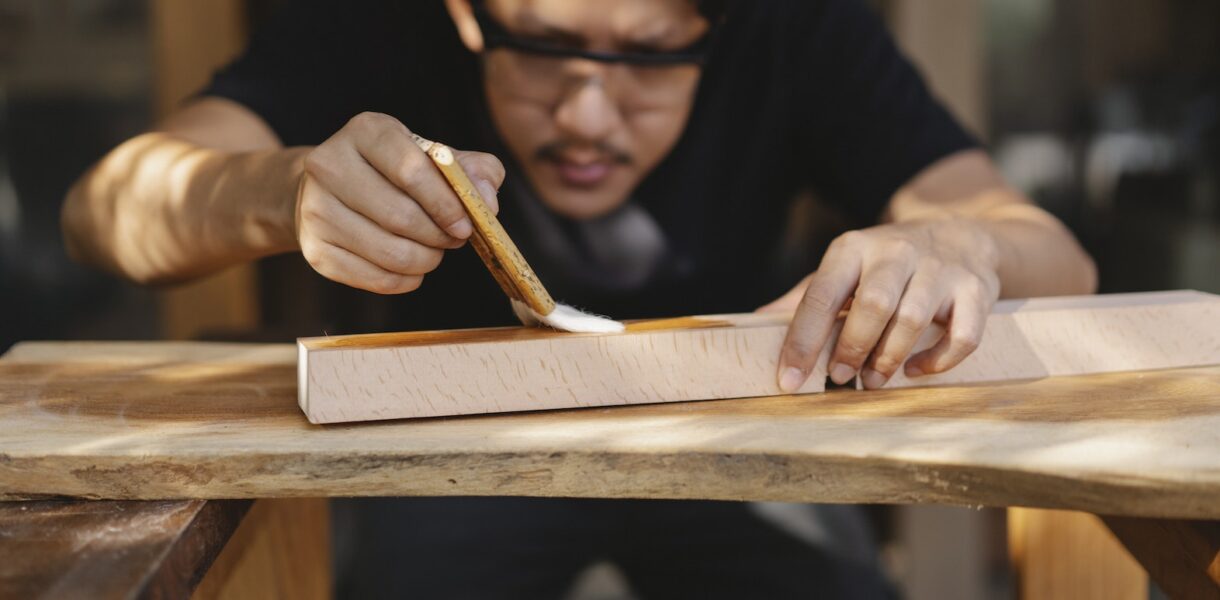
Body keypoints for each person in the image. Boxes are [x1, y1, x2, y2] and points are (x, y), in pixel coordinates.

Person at [62, 0, 1096, 597]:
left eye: (651, 57)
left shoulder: (798, 27)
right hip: (444, 452)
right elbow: (98, 211)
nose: (588, 115)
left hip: (740, 426)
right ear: (465, 14)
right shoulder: (377, 20)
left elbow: (1056, 256)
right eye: (543, 48)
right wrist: (277, 189)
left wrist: (956, 243)